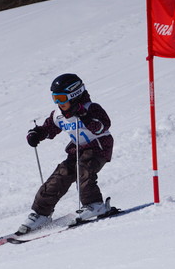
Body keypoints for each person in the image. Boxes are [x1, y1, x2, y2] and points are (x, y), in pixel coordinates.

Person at [19, 73, 113, 234]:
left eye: (61, 98)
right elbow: (48, 129)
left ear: (74, 95)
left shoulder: (92, 108)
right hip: (77, 150)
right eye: (55, 98)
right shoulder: (58, 115)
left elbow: (102, 126)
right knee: (60, 175)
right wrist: (37, 134)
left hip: (99, 147)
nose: (58, 103)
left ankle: (95, 205)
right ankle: (41, 213)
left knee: (84, 170)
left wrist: (83, 115)